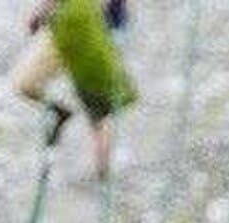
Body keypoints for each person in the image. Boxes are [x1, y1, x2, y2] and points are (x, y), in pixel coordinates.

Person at [12, 0, 137, 177]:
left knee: (97, 106)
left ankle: (102, 172)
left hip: (96, 28)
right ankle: (61, 112)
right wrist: (43, 10)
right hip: (72, 24)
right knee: (26, 84)